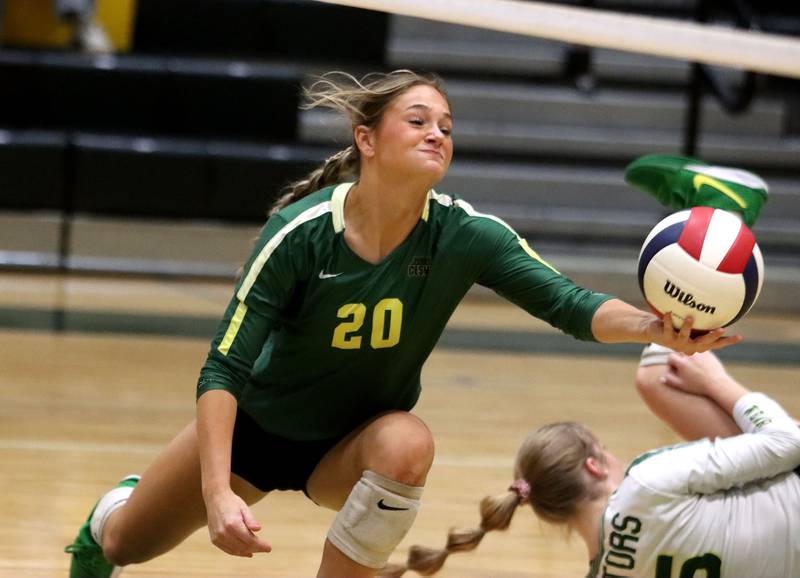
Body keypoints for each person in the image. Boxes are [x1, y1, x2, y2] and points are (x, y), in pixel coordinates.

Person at [64, 70, 738, 578]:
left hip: (351, 444)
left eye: (446, 124)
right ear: (368, 139)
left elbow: (569, 304)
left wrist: (658, 326)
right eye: (417, 120)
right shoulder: (300, 234)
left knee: (408, 444)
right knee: (126, 544)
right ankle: (113, 509)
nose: (437, 132)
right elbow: (224, 368)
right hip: (257, 429)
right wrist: (215, 493)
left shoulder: (465, 234)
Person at [392, 347, 800, 578]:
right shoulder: (648, 482)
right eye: (604, 449)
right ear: (594, 466)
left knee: (654, 378)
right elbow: (788, 441)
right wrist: (716, 381)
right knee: (656, 373)